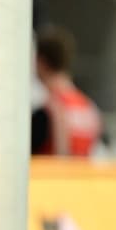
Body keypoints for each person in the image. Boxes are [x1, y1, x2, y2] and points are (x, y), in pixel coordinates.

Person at [32, 25, 101, 157]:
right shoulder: (89, 109)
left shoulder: (49, 110)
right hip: (79, 176)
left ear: (41, 62)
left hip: (50, 175)